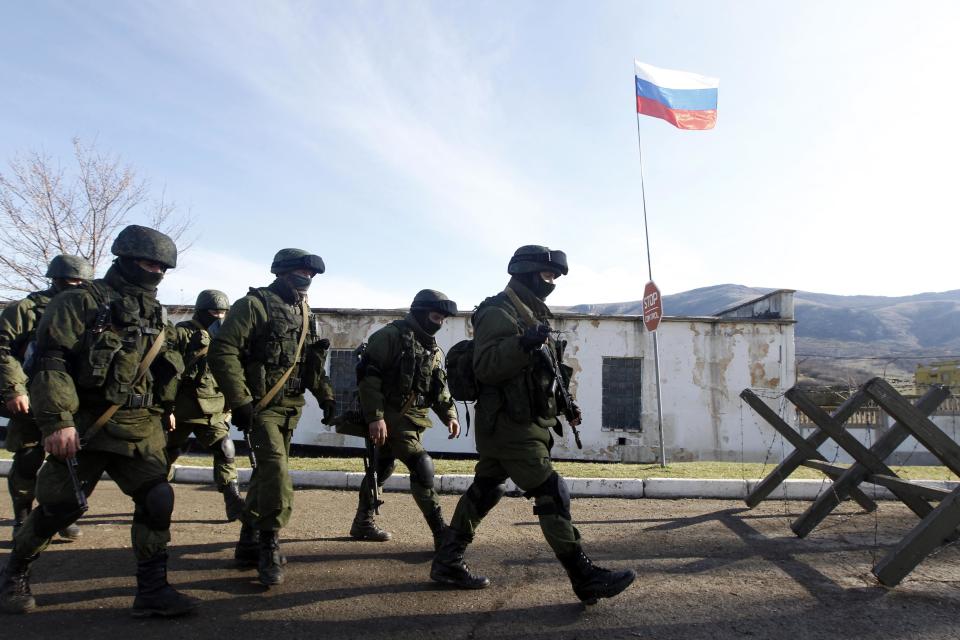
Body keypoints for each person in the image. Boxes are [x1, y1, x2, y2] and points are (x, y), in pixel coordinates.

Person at [0, 225, 198, 617]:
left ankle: (153, 591)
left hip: (140, 427)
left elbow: (159, 372)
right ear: (123, 258)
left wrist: (168, 408)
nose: (154, 271)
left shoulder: (157, 314)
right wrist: (57, 422)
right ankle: (15, 572)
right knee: (60, 507)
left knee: (158, 500)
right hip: (86, 425)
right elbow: (51, 362)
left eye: (161, 266)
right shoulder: (79, 302)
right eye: (146, 262)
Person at [430, 245, 636, 604]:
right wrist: (521, 345)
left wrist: (566, 406)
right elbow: (486, 367)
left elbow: (545, 372)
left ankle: (447, 561)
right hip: (511, 424)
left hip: (521, 421)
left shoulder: (530, 311)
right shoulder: (498, 311)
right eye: (546, 275)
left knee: (487, 488)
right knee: (551, 491)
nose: (552, 282)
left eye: (554, 276)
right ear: (525, 271)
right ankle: (583, 574)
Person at [208, 248, 335, 586]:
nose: (306, 278)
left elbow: (311, 363)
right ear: (281, 271)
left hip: (291, 407)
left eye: (311, 274)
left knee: (266, 473)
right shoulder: (254, 305)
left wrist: (327, 398)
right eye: (300, 272)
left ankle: (247, 539)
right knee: (277, 471)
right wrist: (240, 400)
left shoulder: (306, 312)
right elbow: (224, 350)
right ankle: (269, 545)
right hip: (261, 406)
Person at [352, 289, 460, 549]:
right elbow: (369, 377)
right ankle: (441, 534)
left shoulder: (430, 347)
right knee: (421, 465)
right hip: (390, 417)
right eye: (436, 316)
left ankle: (362, 523)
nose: (439, 323)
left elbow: (437, 386)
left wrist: (449, 414)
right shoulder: (389, 336)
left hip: (413, 418)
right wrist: (375, 417)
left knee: (382, 467)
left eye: (443, 319)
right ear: (421, 313)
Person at [1, 255, 93, 542]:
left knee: (69, 462)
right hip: (31, 396)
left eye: (80, 281)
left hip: (69, 399)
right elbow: (3, 350)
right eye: (70, 280)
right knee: (28, 459)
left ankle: (57, 514)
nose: (75, 285)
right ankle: (23, 518)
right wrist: (15, 389)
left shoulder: (88, 312)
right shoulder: (25, 309)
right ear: (55, 278)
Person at [166, 289, 244, 521]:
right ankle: (153, 494)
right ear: (201, 311)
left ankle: (233, 497)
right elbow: (168, 373)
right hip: (181, 409)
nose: (219, 317)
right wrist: (167, 408)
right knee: (165, 454)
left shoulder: (226, 336)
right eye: (214, 312)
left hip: (212, 409)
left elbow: (229, 373)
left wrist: (230, 406)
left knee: (225, 449)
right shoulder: (182, 333)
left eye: (223, 312)